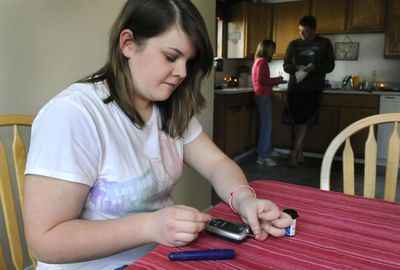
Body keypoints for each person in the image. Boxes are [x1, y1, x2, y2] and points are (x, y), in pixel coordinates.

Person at [23, 1, 292, 269]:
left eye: (189, 61)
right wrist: (150, 226)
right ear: (128, 43)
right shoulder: (73, 115)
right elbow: (45, 241)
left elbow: (217, 164)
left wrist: (245, 200)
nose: (182, 73)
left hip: (160, 256)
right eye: (171, 57)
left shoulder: (170, 109)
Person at [283, 15, 335, 167]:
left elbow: (330, 65)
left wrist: (315, 67)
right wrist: (296, 68)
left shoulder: (324, 43)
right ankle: (299, 154)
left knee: (305, 121)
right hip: (295, 88)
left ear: (313, 30)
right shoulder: (293, 44)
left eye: (305, 31)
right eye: (300, 31)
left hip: (312, 89)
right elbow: (286, 65)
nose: (302, 34)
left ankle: (293, 155)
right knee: (295, 121)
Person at [252, 40, 284, 166]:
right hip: (263, 96)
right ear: (265, 48)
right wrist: (278, 80)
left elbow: (260, 80)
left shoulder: (258, 61)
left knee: (265, 125)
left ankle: (267, 150)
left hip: (261, 95)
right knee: (266, 126)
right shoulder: (262, 62)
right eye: (272, 48)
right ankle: (263, 156)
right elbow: (262, 79)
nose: (274, 51)